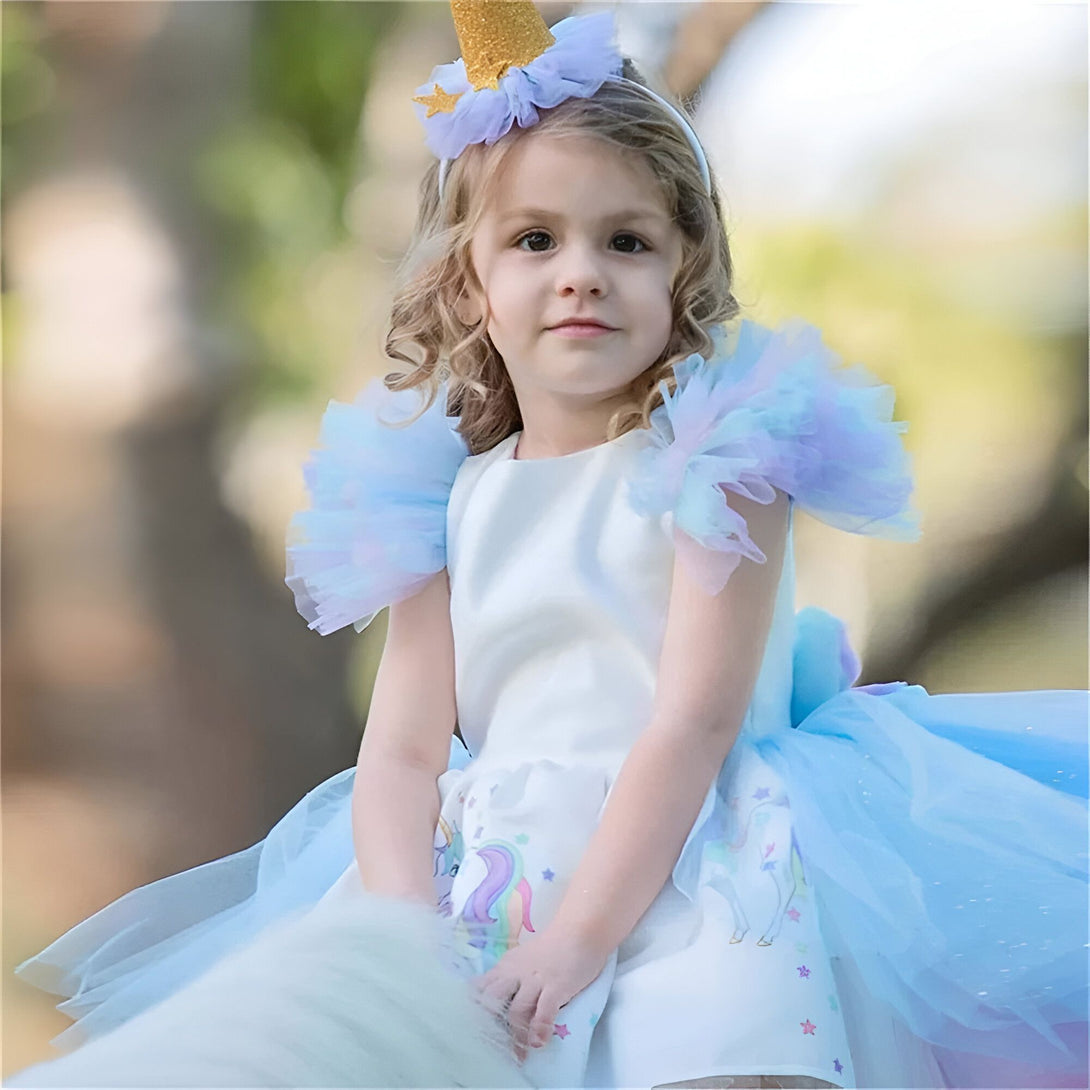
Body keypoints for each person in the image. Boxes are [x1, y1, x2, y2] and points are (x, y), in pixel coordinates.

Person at [9, 4, 1088, 1089]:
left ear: (684, 272)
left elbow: (693, 719)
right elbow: (400, 750)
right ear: (470, 279)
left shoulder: (721, 460)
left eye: (626, 240)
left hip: (690, 860)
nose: (580, 272)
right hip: (493, 875)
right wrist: (399, 946)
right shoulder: (441, 493)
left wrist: (579, 938)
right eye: (535, 239)